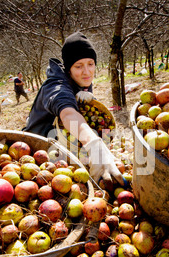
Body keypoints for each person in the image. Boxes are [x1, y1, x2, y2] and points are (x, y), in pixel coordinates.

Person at [23, 32, 124, 187]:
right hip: (39, 150)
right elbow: (68, 113)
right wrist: (94, 144)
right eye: (78, 66)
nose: (87, 72)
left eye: (90, 64)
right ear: (69, 68)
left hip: (66, 144)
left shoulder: (81, 80)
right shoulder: (55, 85)